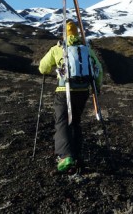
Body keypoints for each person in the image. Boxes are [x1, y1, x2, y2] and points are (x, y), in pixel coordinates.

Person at [38, 19, 103, 173]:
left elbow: (43, 68)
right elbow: (98, 68)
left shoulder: (58, 48)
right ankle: (77, 155)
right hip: (83, 91)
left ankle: (65, 156)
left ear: (64, 34)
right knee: (75, 122)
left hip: (64, 91)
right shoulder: (86, 49)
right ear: (77, 33)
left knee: (62, 122)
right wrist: (96, 88)